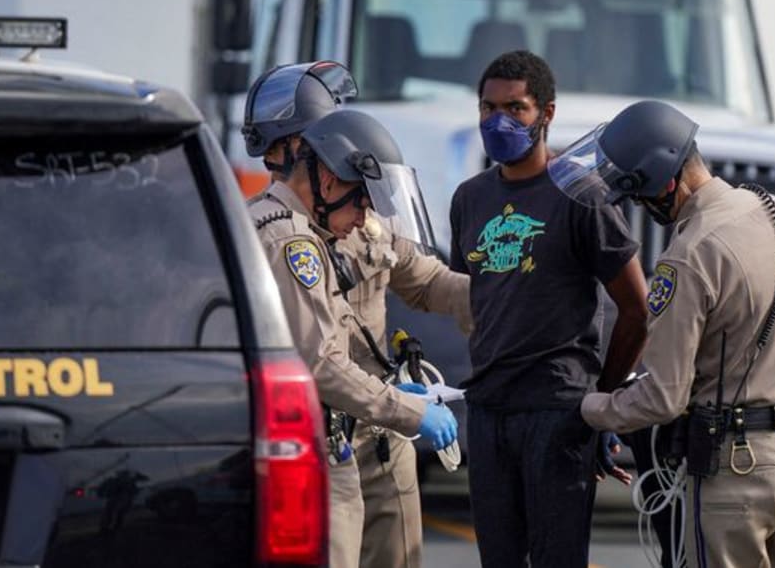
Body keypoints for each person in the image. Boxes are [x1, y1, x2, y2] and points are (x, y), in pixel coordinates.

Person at [556, 100, 775, 567]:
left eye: (637, 196)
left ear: (665, 185)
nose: (639, 206)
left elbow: (662, 399)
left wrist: (588, 408)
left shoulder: (689, 254)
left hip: (737, 468)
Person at [242, 61, 471, 568]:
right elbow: (320, 362)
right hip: (327, 436)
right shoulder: (286, 237)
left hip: (380, 432)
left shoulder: (355, 219)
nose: (366, 212)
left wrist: (512, 303)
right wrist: (410, 410)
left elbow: (429, 280)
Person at [448, 50, 649, 567]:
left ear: (547, 113)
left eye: (515, 108)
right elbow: (479, 296)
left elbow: (636, 309)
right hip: (488, 408)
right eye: (489, 108)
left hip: (557, 411)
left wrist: (601, 403)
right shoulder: (469, 198)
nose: (499, 121)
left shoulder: (582, 195)